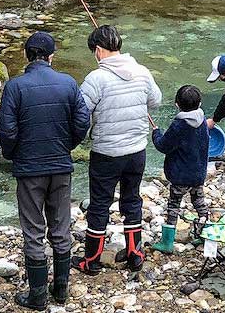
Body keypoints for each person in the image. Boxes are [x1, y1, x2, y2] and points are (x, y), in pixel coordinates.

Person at [0, 32, 90, 311]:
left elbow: (7, 130)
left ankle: (37, 296)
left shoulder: (15, 86)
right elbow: (83, 121)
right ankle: (61, 289)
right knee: (61, 228)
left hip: (29, 170)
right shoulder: (69, 83)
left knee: (33, 230)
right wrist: (67, 146)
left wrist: (13, 155)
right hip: (61, 166)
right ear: (51, 56)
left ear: (27, 55)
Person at [71, 25, 162, 275]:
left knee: (99, 205)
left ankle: (92, 261)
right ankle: (135, 254)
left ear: (99, 50)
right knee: (132, 199)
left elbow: (80, 115)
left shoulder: (95, 78)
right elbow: (156, 101)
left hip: (106, 153)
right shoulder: (142, 72)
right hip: (137, 152)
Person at [151, 85, 210, 254]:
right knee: (199, 202)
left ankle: (167, 243)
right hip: (198, 173)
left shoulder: (179, 125)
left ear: (176, 104)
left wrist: (156, 133)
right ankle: (204, 234)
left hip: (180, 176)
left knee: (174, 205)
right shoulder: (202, 120)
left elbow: (163, 146)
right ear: (200, 103)